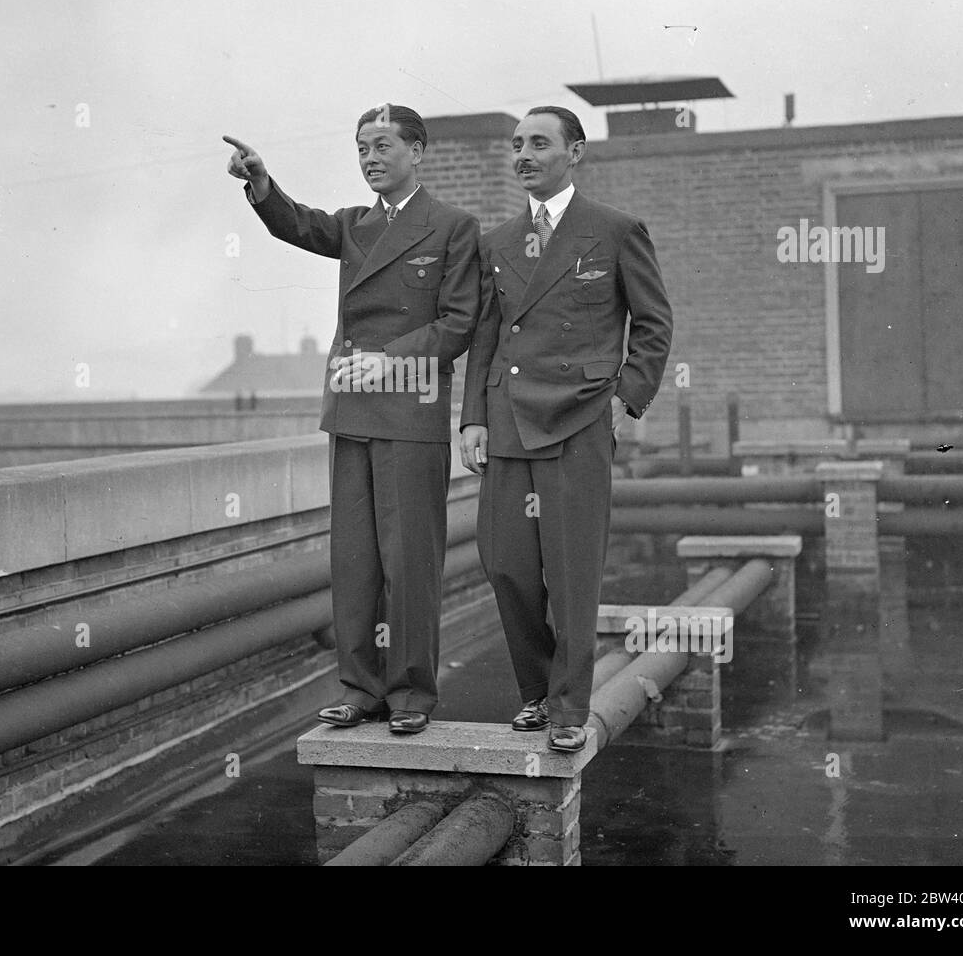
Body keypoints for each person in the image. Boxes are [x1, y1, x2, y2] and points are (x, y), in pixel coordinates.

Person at [224, 104, 480, 735]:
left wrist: (387, 362)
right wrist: (260, 182)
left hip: (410, 415)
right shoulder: (353, 225)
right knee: (355, 560)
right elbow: (296, 224)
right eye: (362, 147)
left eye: (383, 145)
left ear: (417, 151)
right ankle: (359, 687)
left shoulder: (453, 227)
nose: (370, 157)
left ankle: (412, 696)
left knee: (411, 560)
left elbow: (457, 325)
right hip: (351, 415)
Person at [459, 106, 673, 752]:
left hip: (579, 419)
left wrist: (625, 399)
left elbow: (654, 322)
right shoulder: (495, 244)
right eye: (517, 145)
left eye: (540, 143)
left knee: (573, 569)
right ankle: (536, 689)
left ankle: (567, 707)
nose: (523, 154)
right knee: (505, 563)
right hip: (506, 422)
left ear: (575, 153)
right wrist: (471, 417)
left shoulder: (614, 231)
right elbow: (484, 338)